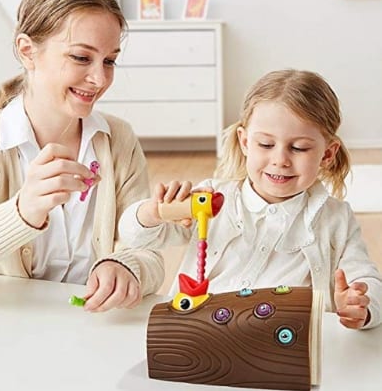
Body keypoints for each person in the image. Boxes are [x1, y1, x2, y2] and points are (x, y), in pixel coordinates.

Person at [0, 0, 163, 311]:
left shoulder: (118, 140)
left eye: (110, 60)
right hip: (4, 338)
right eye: (81, 57)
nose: (99, 78)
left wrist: (127, 266)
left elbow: (150, 251)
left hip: (91, 331)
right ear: (27, 51)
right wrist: (21, 212)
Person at [119, 69, 382, 329]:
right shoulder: (210, 199)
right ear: (245, 142)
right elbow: (135, 237)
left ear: (327, 154)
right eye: (266, 145)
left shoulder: (336, 219)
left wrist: (361, 305)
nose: (280, 160)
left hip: (282, 346)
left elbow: (367, 280)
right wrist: (152, 213)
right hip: (201, 333)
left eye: (299, 148)